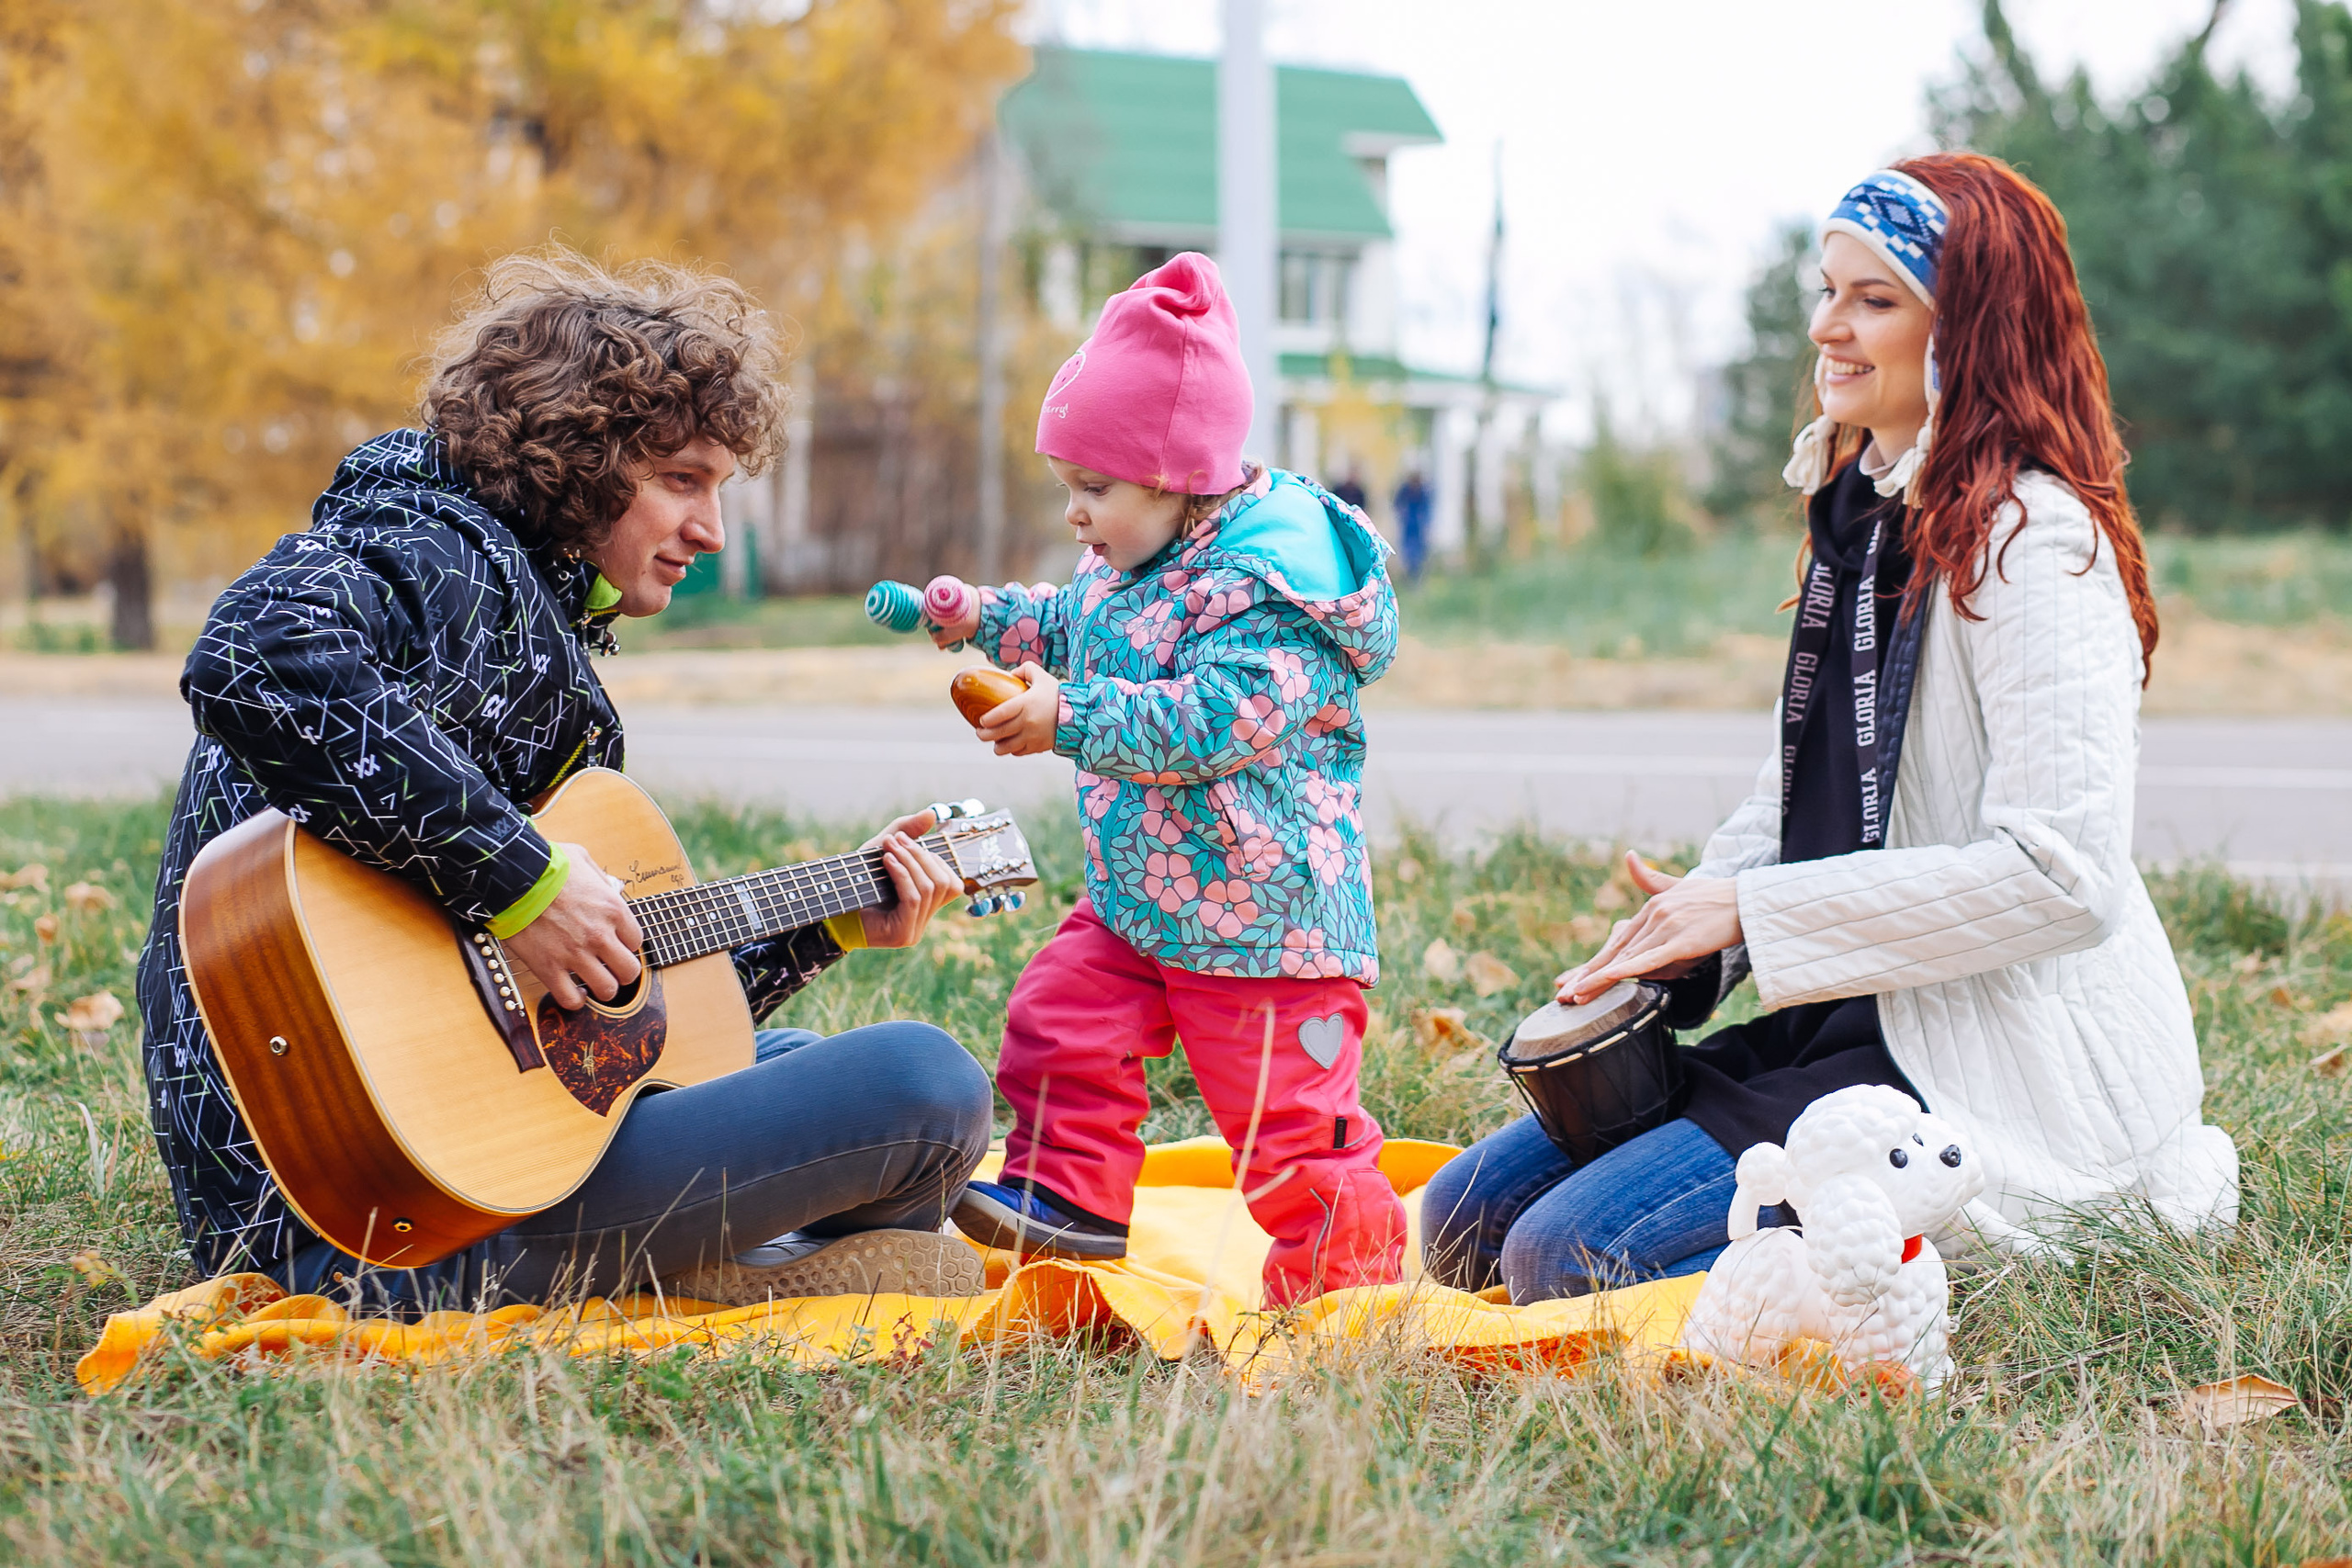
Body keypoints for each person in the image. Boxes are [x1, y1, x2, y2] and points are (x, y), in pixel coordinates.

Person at [1424, 154, 2240, 1304]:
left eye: (1874, 299)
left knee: (1565, 1261)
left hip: (1997, 1069)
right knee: (1460, 1227)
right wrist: (1688, 927)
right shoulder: (1868, 507)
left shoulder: (2036, 546)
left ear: (1970, 327)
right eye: (1826, 291)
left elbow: (2066, 879)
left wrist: (1755, 909)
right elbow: (1795, 779)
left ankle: (1989, 1246)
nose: (1828, 328)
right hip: (1859, 1019)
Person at [136, 253, 994, 1312]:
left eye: (717, 488)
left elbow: (587, 1031)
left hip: (428, 1159)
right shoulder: (437, 551)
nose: (711, 532)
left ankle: (725, 1253)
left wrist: (830, 926)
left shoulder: (515, 604)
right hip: (373, 1215)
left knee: (799, 1060)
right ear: (576, 460)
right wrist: (522, 881)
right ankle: (729, 1258)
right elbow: (256, 651)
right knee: (921, 1088)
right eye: (680, 480)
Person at [923, 253, 1408, 1307]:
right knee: (1059, 1018)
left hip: (1271, 928)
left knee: (1288, 1133)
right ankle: (1071, 1202)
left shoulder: (1268, 594)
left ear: (1176, 474)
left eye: (1093, 490)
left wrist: (1070, 716)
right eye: (1069, 489)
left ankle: (1348, 1294)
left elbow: (1212, 723)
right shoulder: (1133, 561)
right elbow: (1075, 621)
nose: (1075, 516)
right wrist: (984, 619)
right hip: (1145, 901)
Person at [1391, 469, 1431, 581]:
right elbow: (1397, 504)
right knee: (1408, 551)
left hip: (1419, 527)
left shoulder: (1423, 492)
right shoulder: (1405, 490)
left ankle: (1416, 574)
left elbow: (1427, 510)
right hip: (1407, 525)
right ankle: (1409, 574)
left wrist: (1425, 523)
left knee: (1419, 553)